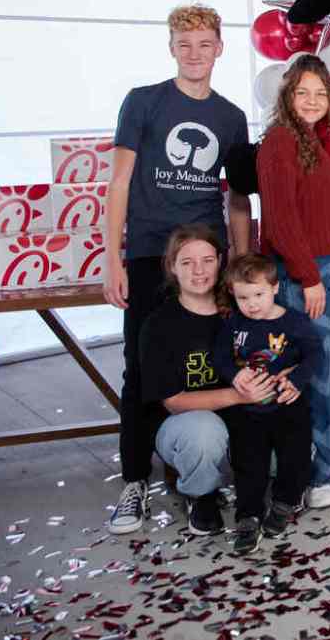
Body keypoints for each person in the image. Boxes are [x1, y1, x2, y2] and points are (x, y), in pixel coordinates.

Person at [104, 5, 251, 536]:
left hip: (209, 259)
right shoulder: (143, 102)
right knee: (140, 367)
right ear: (171, 48)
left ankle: (203, 466)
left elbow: (238, 199)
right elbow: (119, 183)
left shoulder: (231, 117)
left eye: (204, 43)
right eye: (184, 44)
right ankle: (134, 481)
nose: (194, 54)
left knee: (214, 357)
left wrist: (241, 262)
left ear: (219, 48)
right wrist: (112, 257)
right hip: (150, 254)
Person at [256, 55, 330, 508]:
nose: (311, 100)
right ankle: (318, 474)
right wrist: (308, 278)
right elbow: (281, 220)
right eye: (302, 92)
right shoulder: (278, 141)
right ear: (287, 94)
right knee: (317, 373)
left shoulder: (314, 140)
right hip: (306, 273)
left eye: (320, 94)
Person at [138, 225, 274, 536]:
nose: (199, 270)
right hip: (185, 424)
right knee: (203, 430)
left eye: (207, 260)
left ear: (221, 261)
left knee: (285, 432)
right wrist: (239, 395)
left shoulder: (243, 307)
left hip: (241, 416)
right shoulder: (159, 324)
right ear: (172, 267)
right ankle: (202, 495)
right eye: (187, 262)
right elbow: (174, 402)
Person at [213, 253, 320, 554]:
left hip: (288, 405)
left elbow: (314, 354)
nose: (251, 304)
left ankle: (286, 502)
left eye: (258, 295)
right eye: (243, 297)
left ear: (274, 287)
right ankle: (248, 516)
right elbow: (220, 356)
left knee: (294, 458)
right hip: (247, 410)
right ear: (233, 294)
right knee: (249, 464)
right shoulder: (234, 323)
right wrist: (235, 375)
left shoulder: (294, 322)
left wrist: (297, 380)